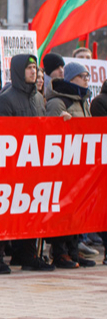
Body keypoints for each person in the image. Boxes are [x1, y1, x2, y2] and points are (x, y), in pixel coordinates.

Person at [0, 53, 53, 273]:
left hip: (32, 166)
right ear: (18, 71)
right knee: (3, 214)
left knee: (31, 212)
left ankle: (27, 255)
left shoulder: (37, 98)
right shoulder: (7, 98)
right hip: (11, 167)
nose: (33, 72)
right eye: (28, 68)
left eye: (35, 68)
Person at [45, 62, 97, 269]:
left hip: (81, 166)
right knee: (63, 211)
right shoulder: (59, 101)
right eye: (83, 76)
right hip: (63, 166)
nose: (87, 80)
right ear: (72, 79)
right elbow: (51, 132)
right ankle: (60, 252)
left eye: (87, 76)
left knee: (78, 210)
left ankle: (74, 251)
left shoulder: (83, 101)